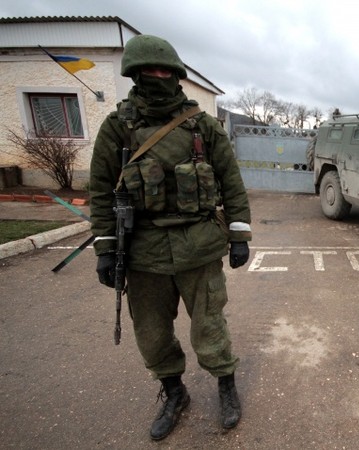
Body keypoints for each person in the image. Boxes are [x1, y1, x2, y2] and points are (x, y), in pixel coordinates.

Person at [89, 34, 252, 441]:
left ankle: (226, 385)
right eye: (148, 71)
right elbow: (99, 189)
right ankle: (173, 392)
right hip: (143, 251)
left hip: (199, 245)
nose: (157, 77)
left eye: (164, 70)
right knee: (152, 331)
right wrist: (105, 248)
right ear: (134, 75)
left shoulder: (203, 124)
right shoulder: (117, 127)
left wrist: (239, 234)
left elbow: (231, 182)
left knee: (210, 324)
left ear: (176, 74)